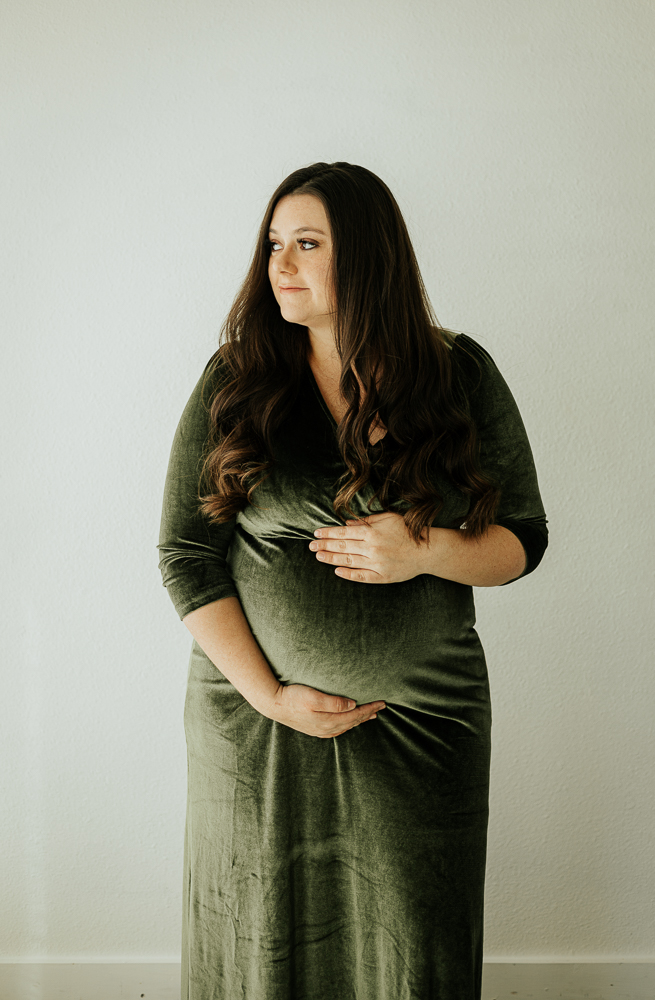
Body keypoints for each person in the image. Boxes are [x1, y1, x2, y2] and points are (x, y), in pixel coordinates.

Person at [157, 161, 548, 1000]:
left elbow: (523, 539)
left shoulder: (458, 374)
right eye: (273, 244)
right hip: (255, 727)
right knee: (256, 930)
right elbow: (184, 555)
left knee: (414, 940)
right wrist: (270, 696)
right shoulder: (237, 380)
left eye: (307, 243)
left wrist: (425, 550)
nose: (280, 265)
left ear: (367, 258)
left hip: (423, 724)